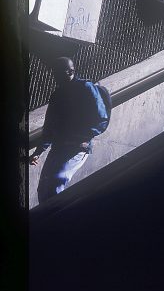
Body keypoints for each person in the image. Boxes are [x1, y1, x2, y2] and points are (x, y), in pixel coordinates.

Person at [28, 57, 109, 203]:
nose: (55, 76)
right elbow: (49, 128)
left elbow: (101, 119)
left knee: (54, 186)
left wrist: (79, 136)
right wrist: (38, 152)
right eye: (54, 73)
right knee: (44, 188)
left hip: (76, 148)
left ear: (71, 71)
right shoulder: (57, 95)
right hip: (59, 147)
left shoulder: (86, 87)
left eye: (59, 73)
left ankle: (54, 223)